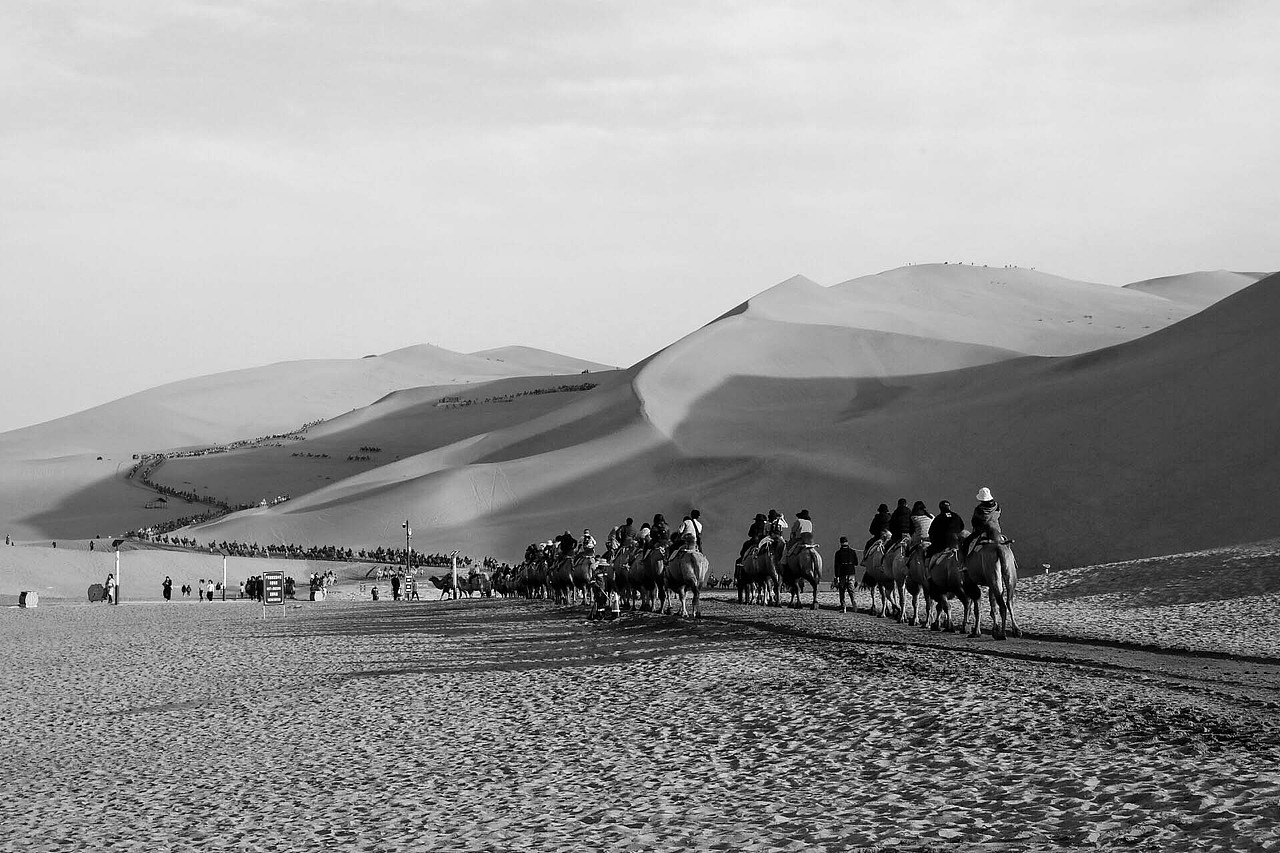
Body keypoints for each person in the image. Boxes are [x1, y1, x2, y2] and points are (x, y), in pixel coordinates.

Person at [964, 487, 1007, 557]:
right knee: (1005, 543)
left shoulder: (979, 509)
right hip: (997, 529)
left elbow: (974, 522)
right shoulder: (997, 506)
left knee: (967, 542)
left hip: (982, 530)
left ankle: (963, 563)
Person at [833, 537, 859, 611]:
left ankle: (843, 606)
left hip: (842, 573)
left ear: (840, 543)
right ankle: (853, 601)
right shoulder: (852, 552)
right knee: (851, 589)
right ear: (847, 542)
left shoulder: (838, 553)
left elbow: (836, 565)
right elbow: (856, 563)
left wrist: (836, 576)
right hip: (851, 572)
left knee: (842, 590)